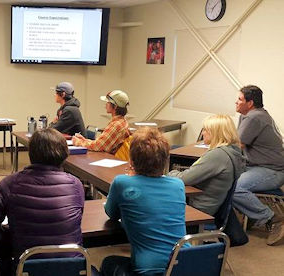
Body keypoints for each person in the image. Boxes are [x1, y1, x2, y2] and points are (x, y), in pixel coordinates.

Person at [0, 128, 85, 276]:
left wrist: (12, 234)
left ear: (30, 153)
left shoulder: (9, 184)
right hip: (72, 270)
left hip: (26, 270)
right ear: (65, 154)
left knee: (2, 267)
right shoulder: (76, 185)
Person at [101, 128, 186, 276]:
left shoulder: (122, 182)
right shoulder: (178, 185)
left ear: (132, 160)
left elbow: (111, 213)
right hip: (183, 264)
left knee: (108, 262)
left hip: (149, 270)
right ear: (165, 159)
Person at [232, 85, 284, 245]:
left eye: (240, 99)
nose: (236, 102)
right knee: (225, 180)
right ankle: (249, 216)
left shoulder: (254, 117)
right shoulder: (248, 115)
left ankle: (272, 219)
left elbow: (237, 144)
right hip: (256, 166)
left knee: (234, 188)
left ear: (250, 103)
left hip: (272, 170)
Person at [168, 114, 246, 216]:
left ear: (215, 133)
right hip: (210, 207)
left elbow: (184, 178)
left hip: (199, 209)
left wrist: (170, 173)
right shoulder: (232, 151)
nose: (203, 133)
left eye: (205, 130)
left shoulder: (218, 155)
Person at [72, 90, 130, 154]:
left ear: (115, 106)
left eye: (108, 102)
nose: (105, 104)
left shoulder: (117, 125)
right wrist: (84, 140)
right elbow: (101, 143)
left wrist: (78, 142)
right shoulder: (121, 121)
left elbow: (98, 146)